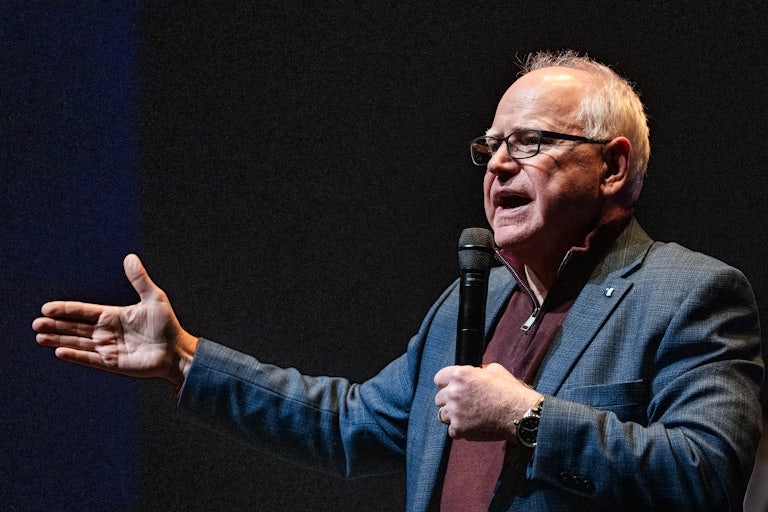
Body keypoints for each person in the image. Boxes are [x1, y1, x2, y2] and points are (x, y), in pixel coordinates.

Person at [33, 50, 764, 511]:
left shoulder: (689, 294)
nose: (499, 165)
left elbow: (703, 474)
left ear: (611, 166)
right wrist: (185, 358)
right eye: (491, 147)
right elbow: (348, 424)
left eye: (531, 143)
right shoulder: (470, 305)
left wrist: (529, 419)